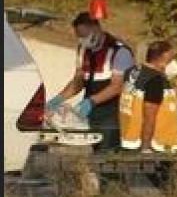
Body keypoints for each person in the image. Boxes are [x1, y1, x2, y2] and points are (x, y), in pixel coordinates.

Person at [46, 12, 134, 150]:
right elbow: (78, 81)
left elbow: (117, 86)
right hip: (92, 114)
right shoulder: (83, 50)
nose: (82, 40)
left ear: (96, 28)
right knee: (96, 155)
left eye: (84, 36)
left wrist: (91, 101)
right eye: (79, 37)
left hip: (113, 116)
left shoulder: (119, 51)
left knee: (108, 156)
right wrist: (56, 101)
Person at [118, 40, 177, 153]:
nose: (173, 63)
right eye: (171, 59)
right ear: (162, 57)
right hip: (156, 146)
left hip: (129, 138)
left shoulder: (132, 72)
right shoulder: (155, 80)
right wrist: (146, 148)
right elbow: (149, 117)